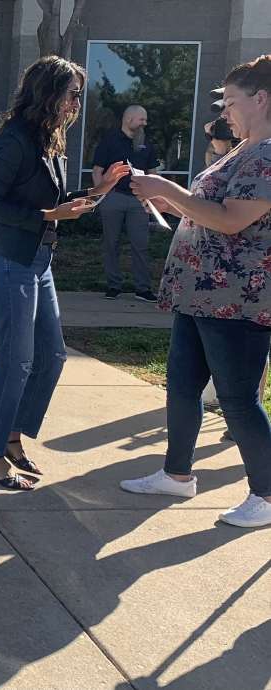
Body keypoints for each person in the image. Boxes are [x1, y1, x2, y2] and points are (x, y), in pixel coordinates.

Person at [119, 54, 271, 528]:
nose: (224, 111)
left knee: (237, 397)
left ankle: (266, 495)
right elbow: (208, 208)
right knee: (182, 385)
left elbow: (231, 219)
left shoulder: (267, 155)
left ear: (262, 98)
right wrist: (166, 197)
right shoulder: (243, 150)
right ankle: (177, 473)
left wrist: (167, 187)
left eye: (231, 101)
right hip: (200, 293)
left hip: (237, 297)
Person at [0, 56, 131, 490]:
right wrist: (49, 214)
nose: (77, 102)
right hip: (9, 263)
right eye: (72, 93)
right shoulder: (14, 140)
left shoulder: (48, 139)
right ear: (48, 92)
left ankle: (10, 438)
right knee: (15, 361)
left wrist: (98, 191)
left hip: (38, 263)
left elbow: (58, 201)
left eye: (79, 94)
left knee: (51, 357)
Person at [91, 105, 162, 302]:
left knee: (141, 245)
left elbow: (153, 175)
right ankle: (114, 286)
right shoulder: (109, 141)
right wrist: (100, 197)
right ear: (128, 119)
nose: (144, 123)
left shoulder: (146, 143)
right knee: (110, 244)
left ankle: (143, 289)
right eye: (142, 119)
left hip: (139, 200)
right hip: (113, 198)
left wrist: (154, 200)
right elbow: (97, 171)